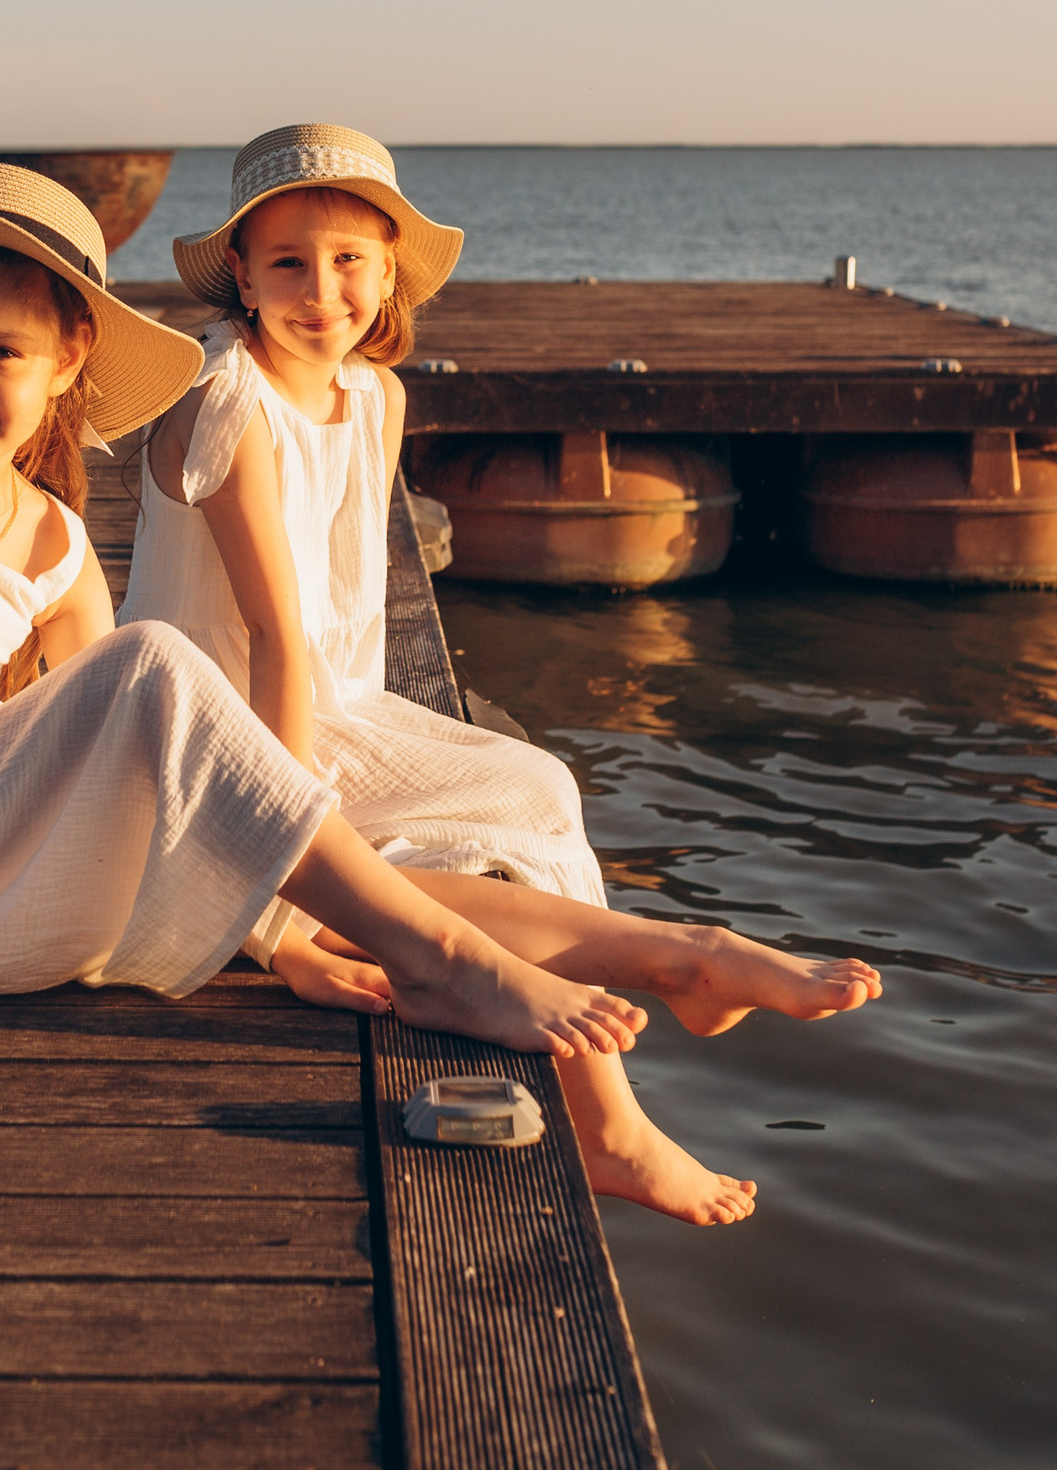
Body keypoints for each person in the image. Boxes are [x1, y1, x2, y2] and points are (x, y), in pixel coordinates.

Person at [0, 160, 642, 1070]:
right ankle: (444, 956)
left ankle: (627, 961)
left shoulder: (58, 540)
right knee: (154, 659)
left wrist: (280, 941)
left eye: (1, 352)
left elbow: (117, 768)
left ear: (68, 358)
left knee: (176, 707)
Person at [120, 125, 882, 1223]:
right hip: (218, 734)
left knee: (537, 787)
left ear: (387, 274)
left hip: (327, 706)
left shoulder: (372, 396)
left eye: (348, 262)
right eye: (286, 261)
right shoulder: (229, 400)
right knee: (394, 850)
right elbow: (277, 638)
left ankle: (652, 1026)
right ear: (239, 271)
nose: (320, 291)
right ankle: (651, 1025)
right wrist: (281, 867)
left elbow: (340, 626)